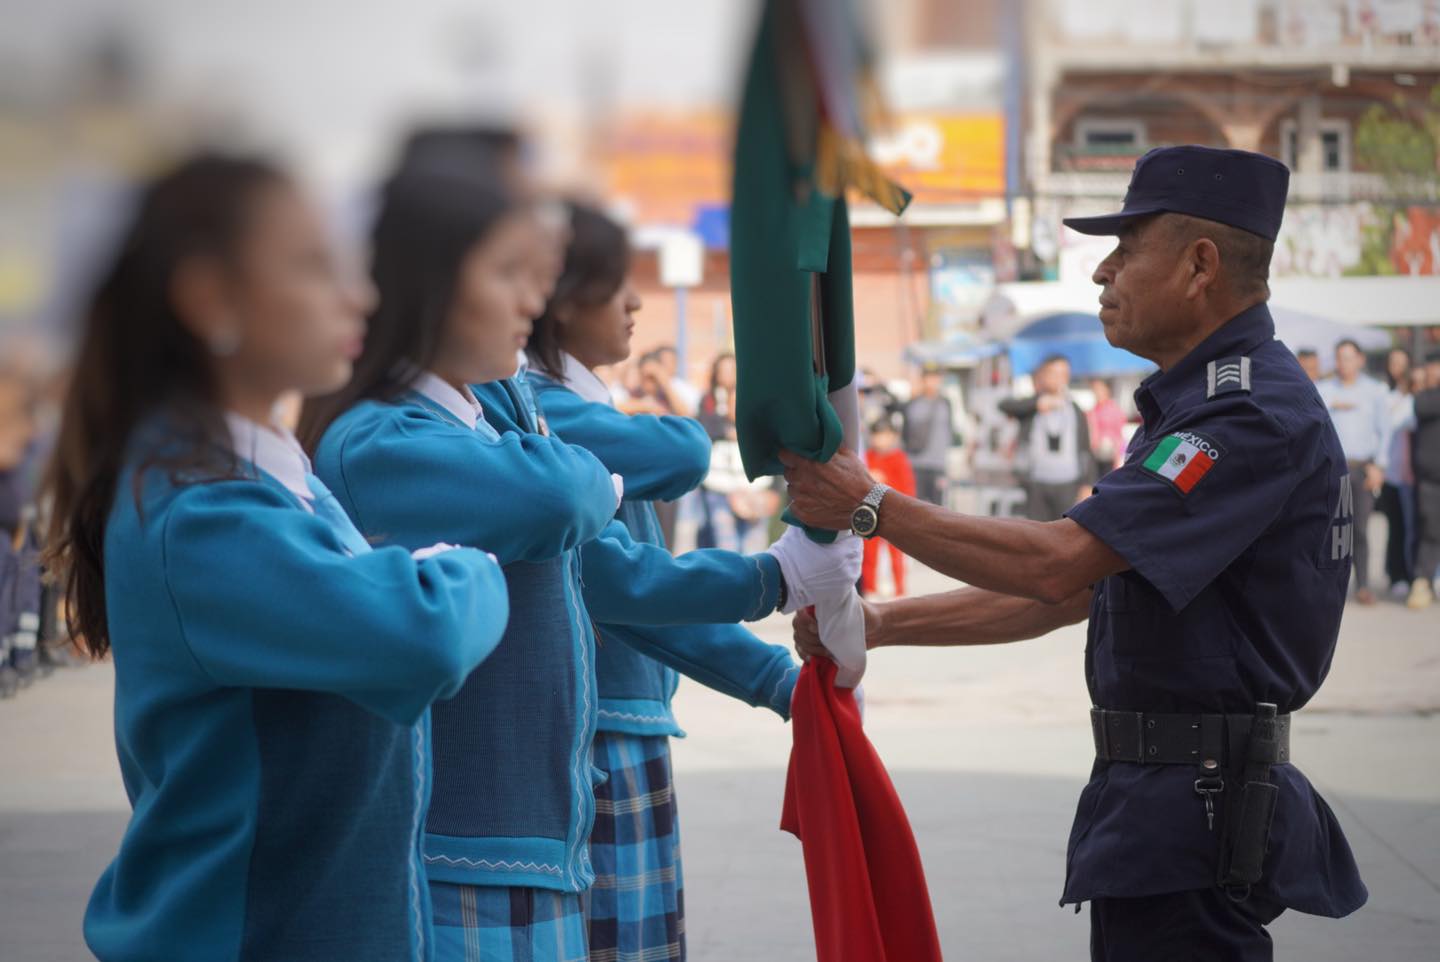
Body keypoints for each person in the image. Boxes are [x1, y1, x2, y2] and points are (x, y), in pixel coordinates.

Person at [782, 146, 1366, 961]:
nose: (1103, 272)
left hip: (1192, 817)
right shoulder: (1199, 402)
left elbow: (1057, 561)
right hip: (1164, 811)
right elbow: (1075, 594)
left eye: (1128, 248)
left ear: (1200, 266)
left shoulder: (1244, 416)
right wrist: (878, 624)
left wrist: (870, 505)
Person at [42, 155, 511, 962]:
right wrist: (473, 565)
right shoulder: (201, 513)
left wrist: (428, 566)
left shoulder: (251, 474)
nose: (358, 295)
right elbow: (421, 634)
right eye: (313, 266)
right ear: (211, 299)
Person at [524, 201, 850, 961]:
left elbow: (644, 597)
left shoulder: (569, 410)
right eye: (616, 286)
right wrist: (772, 578)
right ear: (558, 300)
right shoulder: (547, 413)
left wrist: (775, 678)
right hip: (594, 729)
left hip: (623, 718)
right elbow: (633, 562)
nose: (636, 303)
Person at [1318, 339, 1391, 604]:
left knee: (1359, 529)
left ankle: (1363, 585)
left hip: (1362, 469)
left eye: (1349, 358)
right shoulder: (1322, 390)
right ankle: (1326, 586)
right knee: (1328, 529)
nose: (1343, 363)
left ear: (1360, 360)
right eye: (1339, 358)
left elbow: (1385, 432)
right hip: (1330, 470)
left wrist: (1380, 466)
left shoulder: (1375, 391)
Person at [697, 352, 783, 552]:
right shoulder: (709, 404)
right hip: (721, 489)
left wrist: (775, 490)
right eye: (723, 370)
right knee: (726, 546)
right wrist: (727, 430)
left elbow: (772, 447)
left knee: (754, 548)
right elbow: (703, 427)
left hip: (755, 491)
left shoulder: (758, 410)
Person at [999, 355, 1097, 522]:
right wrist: (1037, 403)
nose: (1059, 378)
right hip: (1036, 482)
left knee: (1064, 535)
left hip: (1068, 483)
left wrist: (1088, 484)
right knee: (1037, 535)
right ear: (1042, 375)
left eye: (1064, 373)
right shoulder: (1032, 405)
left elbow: (1085, 448)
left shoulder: (1075, 409)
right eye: (1054, 373)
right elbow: (1004, 405)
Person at [1378, 349, 1418, 596]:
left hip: (1414, 473)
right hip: (1391, 472)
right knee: (1396, 526)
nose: (1398, 369)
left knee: (1416, 527)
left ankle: (1416, 574)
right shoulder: (1383, 395)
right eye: (1393, 363)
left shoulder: (1417, 398)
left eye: (1402, 364)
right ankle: (1396, 574)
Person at [862, 418, 915, 597]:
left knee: (897, 553)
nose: (880, 440)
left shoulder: (899, 458)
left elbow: (907, 488)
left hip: (894, 513)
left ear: (892, 437)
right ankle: (870, 588)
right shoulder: (867, 457)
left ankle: (899, 589)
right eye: (877, 435)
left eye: (885, 435)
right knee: (869, 553)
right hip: (871, 511)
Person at [1407, 351, 1440, 609]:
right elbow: (1420, 407)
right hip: (1430, 480)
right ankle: (1423, 582)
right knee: (1429, 531)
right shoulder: (1426, 397)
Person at [902, 366, 954, 506]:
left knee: (939, 507)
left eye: (936, 378)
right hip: (916, 463)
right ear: (923, 380)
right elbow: (905, 434)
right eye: (929, 378)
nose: (933, 382)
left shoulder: (946, 403)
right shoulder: (913, 403)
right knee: (915, 505)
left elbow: (949, 432)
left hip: (938, 464)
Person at [1085, 377, 1127, 475]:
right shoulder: (1093, 411)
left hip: (1109, 455)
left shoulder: (1114, 410)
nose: (1096, 392)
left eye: (1099, 389)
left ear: (1107, 390)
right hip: (1094, 455)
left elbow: (1119, 435)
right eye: (1094, 389)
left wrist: (1117, 457)